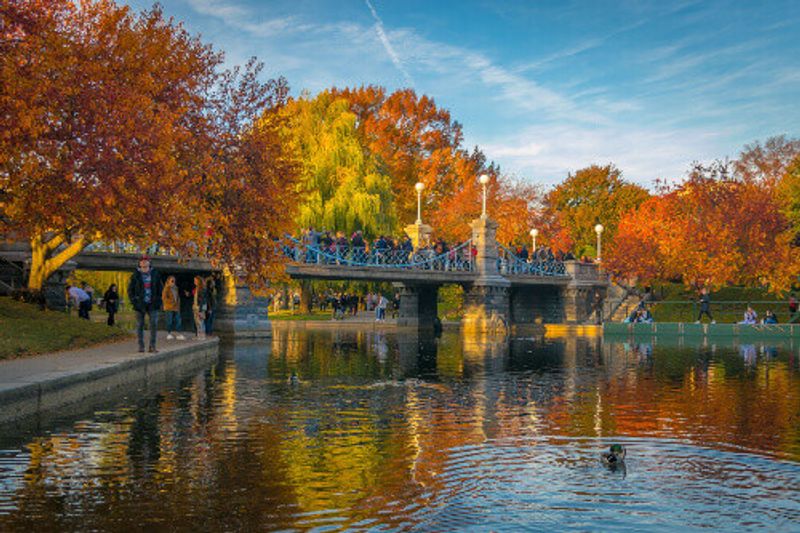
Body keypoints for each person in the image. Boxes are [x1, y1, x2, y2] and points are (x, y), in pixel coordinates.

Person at [128, 255, 163, 353]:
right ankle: (141, 346)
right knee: (140, 325)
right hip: (140, 304)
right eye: (142, 261)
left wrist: (158, 300)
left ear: (149, 263)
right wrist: (134, 300)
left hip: (153, 303)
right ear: (139, 264)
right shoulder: (135, 275)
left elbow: (160, 288)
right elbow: (130, 290)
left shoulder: (155, 274)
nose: (144, 262)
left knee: (154, 324)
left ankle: (152, 346)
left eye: (146, 261)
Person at [162, 276, 185, 340]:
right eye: (172, 281)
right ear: (168, 281)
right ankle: (169, 333)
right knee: (169, 321)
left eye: (174, 281)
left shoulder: (176, 288)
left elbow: (177, 297)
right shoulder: (166, 288)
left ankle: (178, 333)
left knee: (178, 320)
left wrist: (178, 304)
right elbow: (164, 298)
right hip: (169, 307)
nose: (173, 282)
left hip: (176, 307)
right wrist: (172, 303)